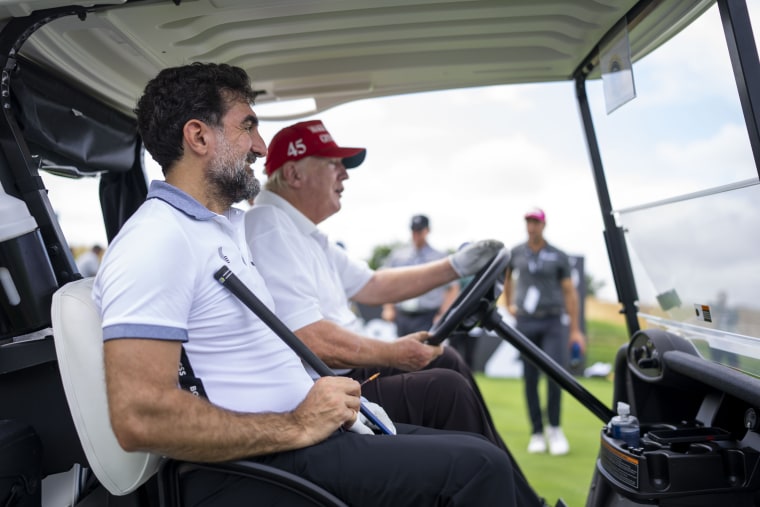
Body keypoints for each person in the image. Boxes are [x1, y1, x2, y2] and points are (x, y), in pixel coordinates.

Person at [93, 62, 539, 507]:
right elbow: (140, 417)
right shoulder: (157, 240)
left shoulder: (217, 228)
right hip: (258, 464)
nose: (261, 146)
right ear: (199, 137)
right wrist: (298, 423)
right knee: (481, 468)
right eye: (248, 126)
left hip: (300, 437)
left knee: (473, 448)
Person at [244, 120, 542, 505]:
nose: (344, 175)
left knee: (448, 364)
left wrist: (456, 265)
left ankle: (521, 499)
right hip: (328, 389)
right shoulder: (269, 226)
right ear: (294, 173)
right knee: (446, 390)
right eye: (333, 164)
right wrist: (392, 353)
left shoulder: (300, 231)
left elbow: (374, 285)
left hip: (341, 378)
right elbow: (309, 337)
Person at [503, 207, 586, 456]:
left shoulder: (558, 255)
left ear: (543, 225)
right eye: (528, 222)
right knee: (529, 378)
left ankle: (555, 429)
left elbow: (570, 292)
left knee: (554, 376)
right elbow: (507, 279)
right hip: (526, 322)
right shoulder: (516, 252)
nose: (532, 226)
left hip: (551, 321)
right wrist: (508, 304)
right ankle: (537, 432)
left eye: (536, 222)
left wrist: (575, 329)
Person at [381, 214, 459, 335]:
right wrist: (388, 308)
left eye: (419, 230)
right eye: (413, 230)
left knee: (425, 351)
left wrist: (442, 314)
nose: (416, 234)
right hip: (403, 315)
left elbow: (453, 287)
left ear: (427, 230)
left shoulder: (439, 257)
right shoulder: (398, 256)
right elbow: (386, 282)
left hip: (427, 315)